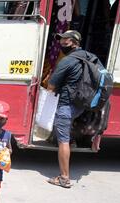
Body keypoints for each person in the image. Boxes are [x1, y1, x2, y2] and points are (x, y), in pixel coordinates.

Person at [47, 30, 89, 189]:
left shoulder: (67, 61)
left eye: (64, 40)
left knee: (62, 141)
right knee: (66, 132)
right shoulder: (90, 57)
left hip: (67, 105)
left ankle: (64, 178)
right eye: (60, 40)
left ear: (73, 42)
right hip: (82, 104)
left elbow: (51, 85)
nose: (61, 43)